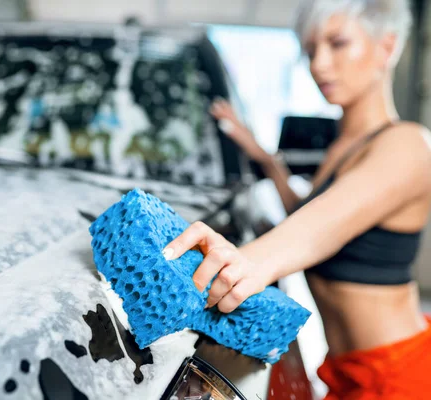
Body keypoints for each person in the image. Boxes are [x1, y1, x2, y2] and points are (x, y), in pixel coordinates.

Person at [162, 0, 431, 399]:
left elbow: (323, 227)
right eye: (310, 51)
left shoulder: (410, 145)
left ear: (387, 47)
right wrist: (265, 159)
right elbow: (314, 214)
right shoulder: (342, 147)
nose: (319, 64)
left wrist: (247, 261)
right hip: (342, 372)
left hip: (399, 375)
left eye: (338, 43)